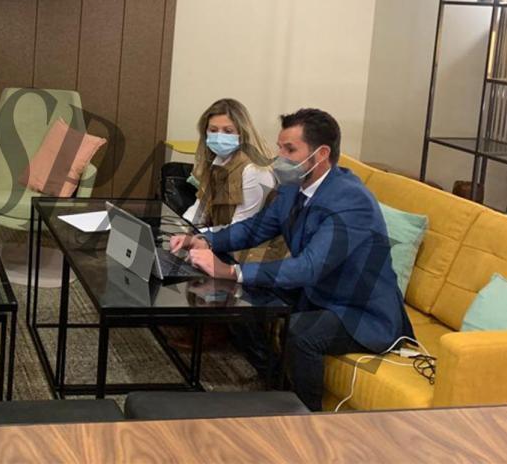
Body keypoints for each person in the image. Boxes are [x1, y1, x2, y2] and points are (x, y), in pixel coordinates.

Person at [170, 108, 412, 411]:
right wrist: (204, 239)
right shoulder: (292, 186)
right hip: (315, 292)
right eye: (279, 147)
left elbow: (309, 267)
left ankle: (307, 417)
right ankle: (275, 385)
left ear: (321, 154)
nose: (279, 156)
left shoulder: (351, 200)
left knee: (302, 332)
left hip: (357, 309)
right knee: (236, 301)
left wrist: (232, 270)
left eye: (290, 149)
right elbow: (256, 228)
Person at [183, 99, 276, 231]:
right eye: (213, 130)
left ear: (242, 132)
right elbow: (199, 210)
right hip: (224, 239)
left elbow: (242, 227)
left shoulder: (254, 169)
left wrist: (197, 237)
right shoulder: (215, 163)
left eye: (228, 131)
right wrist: (181, 228)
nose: (219, 136)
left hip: (253, 248)